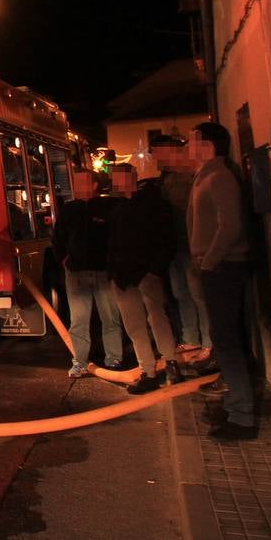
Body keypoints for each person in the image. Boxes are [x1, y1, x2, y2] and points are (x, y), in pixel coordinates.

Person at [188, 121, 256, 440]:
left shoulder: (220, 177)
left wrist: (209, 261)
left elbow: (230, 227)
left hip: (224, 268)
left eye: (192, 141)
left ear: (208, 144)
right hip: (218, 268)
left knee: (226, 339)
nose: (188, 148)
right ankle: (235, 405)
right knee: (223, 337)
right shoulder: (208, 175)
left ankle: (242, 416)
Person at [107, 164, 182, 394]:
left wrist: (155, 270)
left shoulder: (152, 203)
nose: (118, 183)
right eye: (115, 179)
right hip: (124, 275)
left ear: (132, 177)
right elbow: (112, 242)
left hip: (146, 273)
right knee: (135, 325)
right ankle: (148, 369)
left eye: (121, 178)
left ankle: (170, 362)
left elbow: (165, 237)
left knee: (156, 318)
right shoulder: (118, 207)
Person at [52, 168, 126, 377]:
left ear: (94, 185)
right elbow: (58, 238)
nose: (78, 187)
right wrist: (66, 260)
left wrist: (113, 263)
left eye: (83, 182)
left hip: (103, 273)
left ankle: (114, 359)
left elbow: (116, 237)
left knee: (110, 318)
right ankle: (80, 362)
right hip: (76, 273)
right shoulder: (69, 209)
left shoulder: (108, 207)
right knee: (79, 321)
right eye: (75, 183)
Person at [151, 134, 213, 358]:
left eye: (156, 153)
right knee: (181, 294)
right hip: (174, 246)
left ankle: (208, 342)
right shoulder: (167, 177)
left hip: (190, 245)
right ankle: (190, 339)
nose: (154, 158)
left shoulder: (191, 176)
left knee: (198, 295)